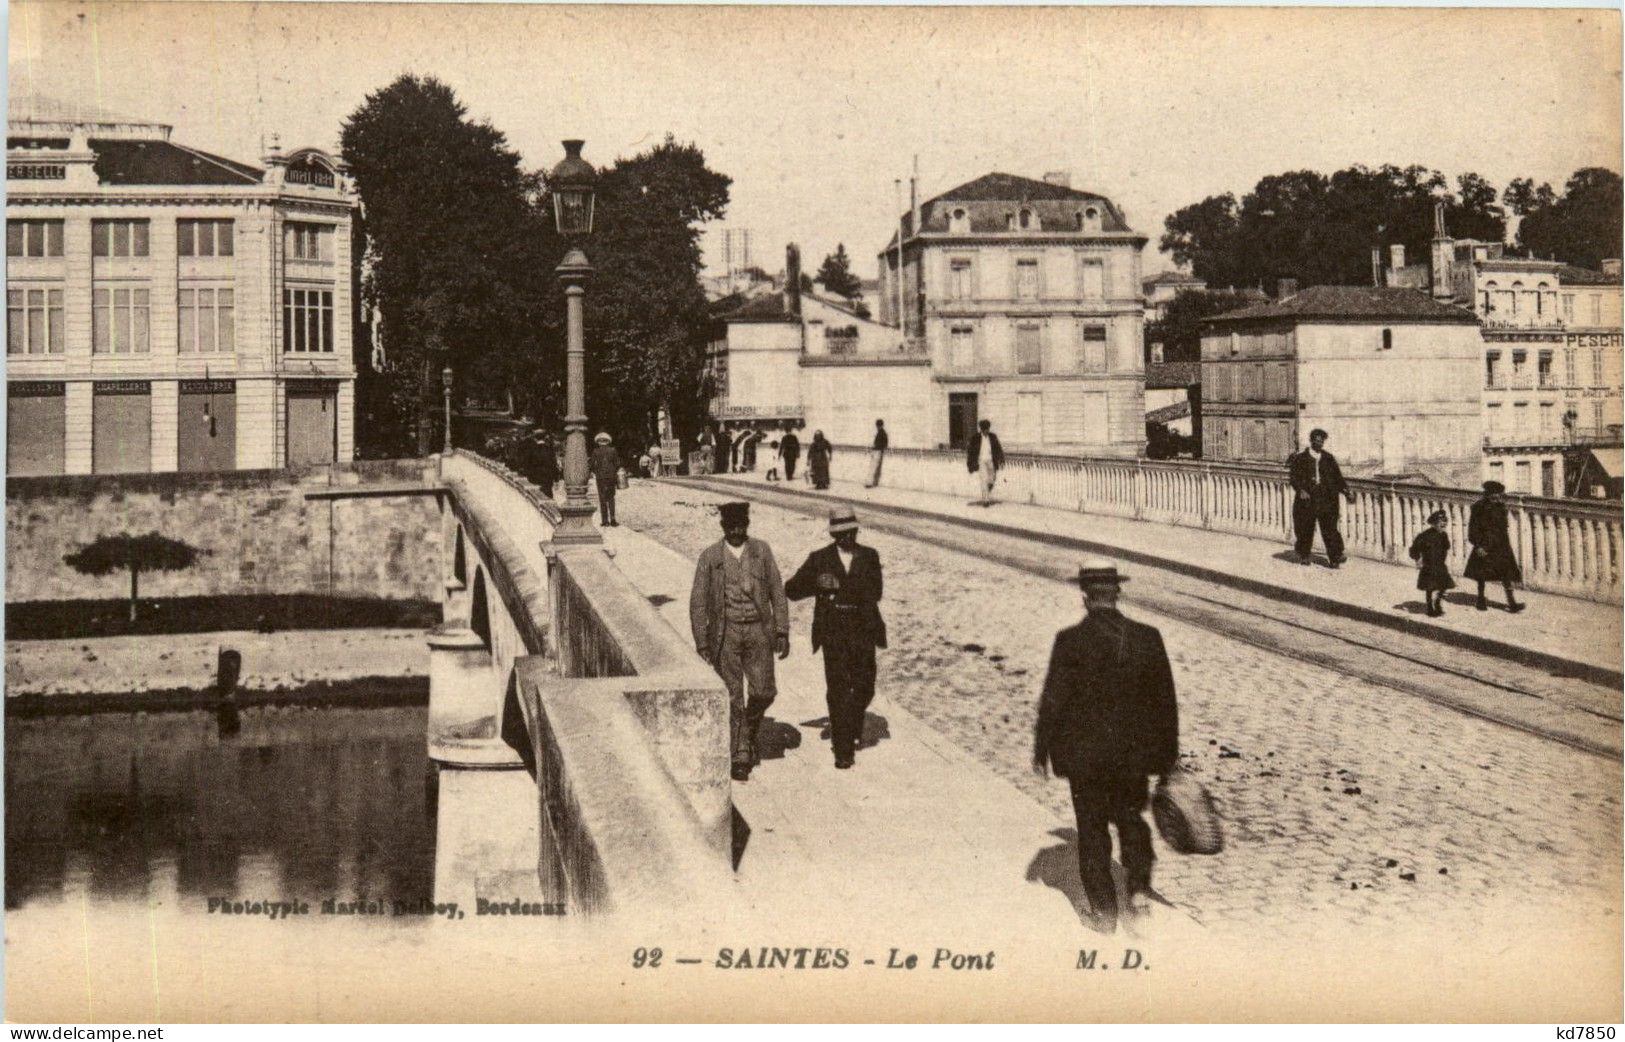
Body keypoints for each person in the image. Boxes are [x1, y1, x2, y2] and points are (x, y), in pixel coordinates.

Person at [1033, 560, 1179, 935]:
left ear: (1084, 597)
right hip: (1132, 759)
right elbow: (1165, 704)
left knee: (1093, 832)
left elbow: (1053, 700)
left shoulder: (1070, 641)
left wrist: (1041, 750)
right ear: (1118, 593)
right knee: (1132, 823)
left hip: (1086, 761)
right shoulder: (1148, 637)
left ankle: (1104, 912)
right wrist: (1167, 759)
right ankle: (1139, 892)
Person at [689, 502, 790, 782]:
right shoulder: (710, 557)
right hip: (726, 633)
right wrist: (702, 642)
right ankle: (740, 754)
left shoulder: (761, 551)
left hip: (759, 631)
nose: (737, 531)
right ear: (723, 527)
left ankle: (746, 730)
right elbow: (698, 602)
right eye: (731, 526)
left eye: (741, 526)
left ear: (747, 525)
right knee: (733, 696)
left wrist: (782, 630)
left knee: (764, 691)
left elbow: (777, 591)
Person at [785, 504, 886, 769]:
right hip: (833, 633)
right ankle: (843, 749)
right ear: (833, 535)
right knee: (839, 689)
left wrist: (845, 586)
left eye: (850, 532)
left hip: (863, 629)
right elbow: (791, 590)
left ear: (855, 530)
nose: (846, 538)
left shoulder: (869, 556)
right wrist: (816, 583)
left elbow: (876, 591)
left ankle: (850, 724)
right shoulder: (819, 559)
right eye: (840, 533)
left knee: (865, 687)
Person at [1287, 428, 1354, 567]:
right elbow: (1293, 478)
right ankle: (1304, 555)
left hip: (1326, 499)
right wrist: (1301, 490)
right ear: (1311, 441)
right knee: (1305, 527)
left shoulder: (1329, 458)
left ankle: (1335, 557)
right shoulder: (1301, 459)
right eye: (1317, 441)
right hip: (1307, 499)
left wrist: (1346, 491)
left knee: (1330, 528)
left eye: (1322, 441)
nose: (1319, 443)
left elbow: (1337, 478)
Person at [1465, 481, 1525, 613]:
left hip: (1500, 545)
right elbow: (1473, 529)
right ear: (1488, 494)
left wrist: (1506, 546)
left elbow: (1504, 528)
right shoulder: (1478, 507)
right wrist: (1478, 546)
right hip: (1484, 544)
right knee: (1482, 573)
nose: (1497, 498)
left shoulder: (1501, 507)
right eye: (1494, 495)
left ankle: (1512, 602)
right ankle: (1480, 599)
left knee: (1506, 573)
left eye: (1499, 495)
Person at [1409, 509, 1455, 617]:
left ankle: (1437, 603)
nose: (1443, 524)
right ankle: (1430, 608)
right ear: (1434, 523)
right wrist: (1418, 559)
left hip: (1440, 565)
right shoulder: (1424, 536)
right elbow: (1413, 549)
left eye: (1445, 522)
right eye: (1441, 522)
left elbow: (1447, 547)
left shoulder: (1444, 536)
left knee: (1443, 585)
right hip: (1428, 565)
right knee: (1429, 588)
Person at [966, 419, 1005, 507]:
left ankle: (986, 491)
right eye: (984, 429)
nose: (986, 431)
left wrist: (1001, 460)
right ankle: (986, 500)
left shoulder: (993, 437)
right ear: (981, 429)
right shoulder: (976, 438)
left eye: (987, 429)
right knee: (983, 479)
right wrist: (970, 464)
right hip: (981, 461)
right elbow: (970, 451)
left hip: (991, 460)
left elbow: (998, 449)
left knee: (992, 479)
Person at [516, 426, 559, 498]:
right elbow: (553, 465)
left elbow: (526, 463)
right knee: (548, 497)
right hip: (547, 479)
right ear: (545, 437)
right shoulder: (549, 450)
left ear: (535, 438)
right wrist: (556, 479)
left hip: (534, 479)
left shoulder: (532, 450)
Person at [589, 432, 621, 527]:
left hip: (600, 478)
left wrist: (597, 472)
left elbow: (591, 465)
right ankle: (613, 519)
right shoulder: (613, 450)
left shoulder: (595, 451)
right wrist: (613, 472)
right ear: (608, 441)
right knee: (611, 498)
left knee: (602, 498)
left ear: (598, 442)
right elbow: (617, 464)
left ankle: (605, 520)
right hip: (611, 477)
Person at [865, 419, 888, 488]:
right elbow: (885, 444)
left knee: (872, 467)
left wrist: (875, 447)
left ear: (878, 425)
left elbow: (883, 444)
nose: (876, 427)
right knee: (874, 467)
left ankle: (869, 483)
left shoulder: (881, 433)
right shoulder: (882, 433)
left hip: (877, 451)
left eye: (877, 426)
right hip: (878, 451)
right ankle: (872, 483)